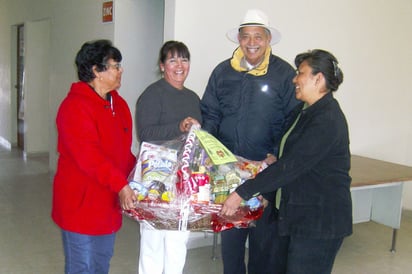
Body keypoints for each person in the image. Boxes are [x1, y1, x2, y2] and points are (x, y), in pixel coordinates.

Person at [221, 49, 353, 274]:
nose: (294, 79)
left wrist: (243, 192)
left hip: (319, 222)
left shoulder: (327, 119)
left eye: (300, 73)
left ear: (317, 78)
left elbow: (291, 166)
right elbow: (286, 158)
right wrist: (266, 191)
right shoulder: (304, 111)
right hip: (298, 214)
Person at [200, 9, 299, 274]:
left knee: (263, 247)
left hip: (266, 174)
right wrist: (209, 150)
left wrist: (277, 154)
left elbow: (294, 120)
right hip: (228, 173)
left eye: (258, 36)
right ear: (239, 40)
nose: (251, 42)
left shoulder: (284, 74)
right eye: (246, 37)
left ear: (268, 40)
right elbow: (210, 113)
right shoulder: (223, 72)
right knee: (231, 245)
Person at [51, 39, 137, 274]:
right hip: (80, 203)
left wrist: (143, 170)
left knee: (101, 263)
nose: (121, 70)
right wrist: (122, 185)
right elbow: (89, 156)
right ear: (96, 71)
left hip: (107, 203)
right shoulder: (74, 107)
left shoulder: (119, 105)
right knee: (82, 266)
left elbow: (122, 153)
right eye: (115, 65)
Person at [135, 40, 202, 274]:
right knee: (153, 239)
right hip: (155, 176)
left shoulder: (193, 98)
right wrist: (179, 126)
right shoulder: (152, 94)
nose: (179, 65)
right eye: (172, 60)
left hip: (183, 178)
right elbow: (145, 134)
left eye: (184, 59)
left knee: (178, 239)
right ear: (162, 66)